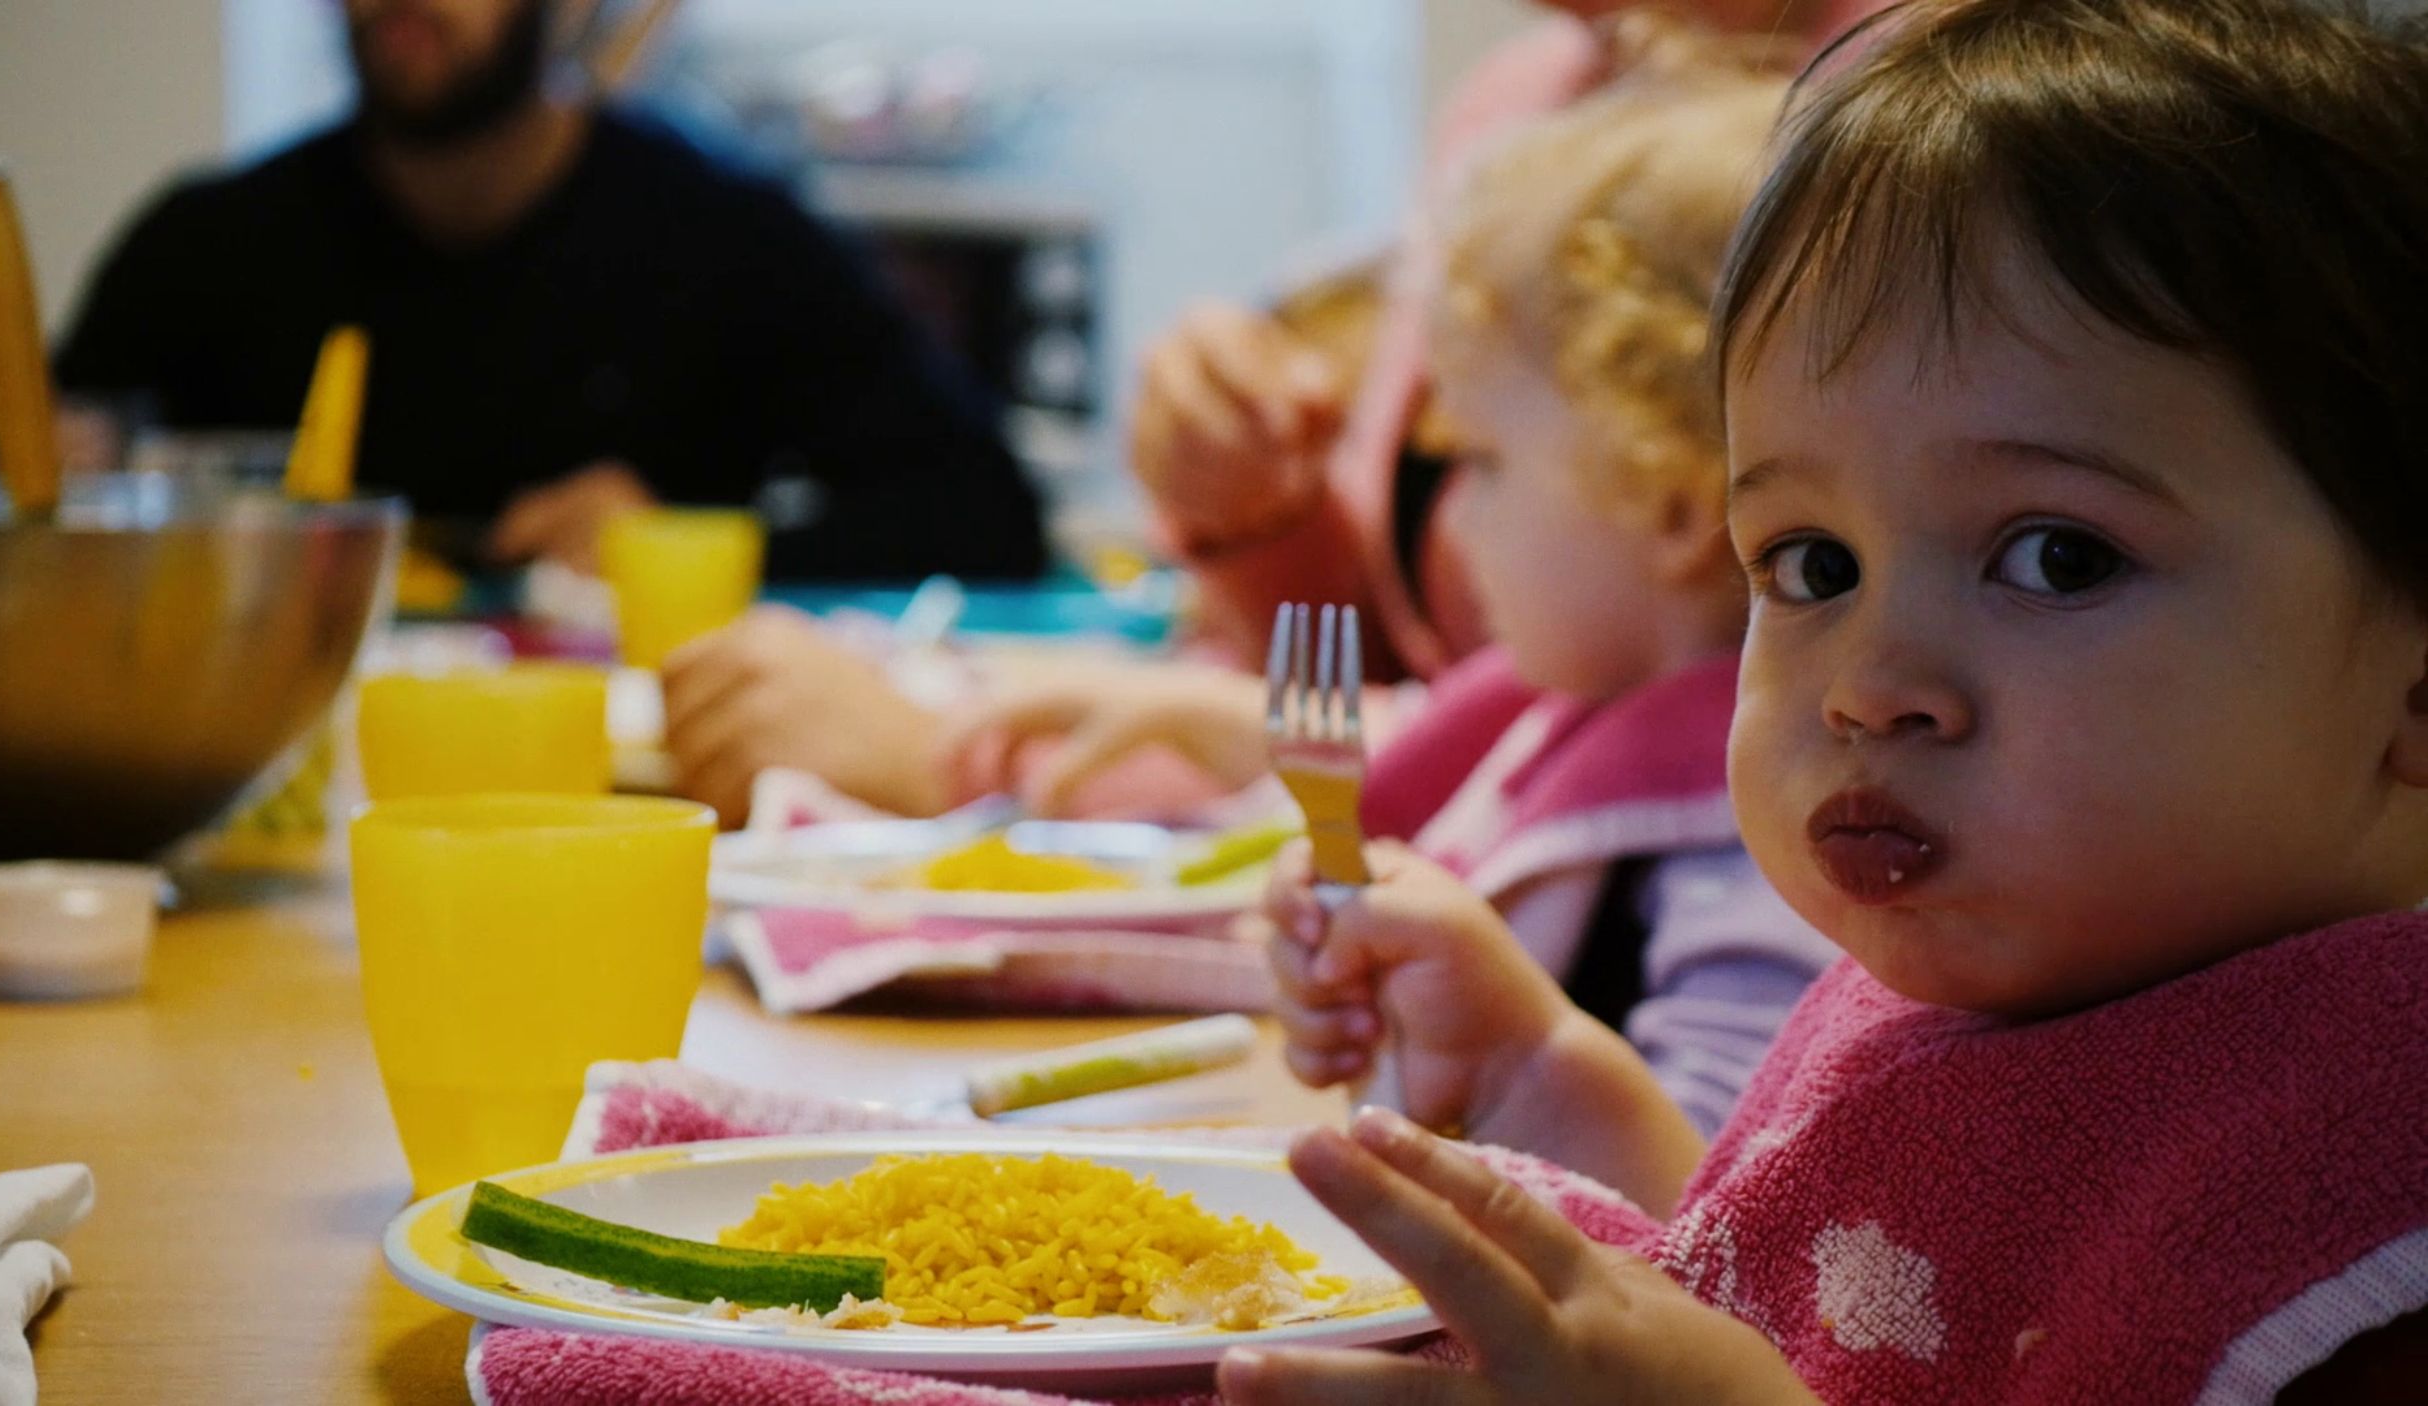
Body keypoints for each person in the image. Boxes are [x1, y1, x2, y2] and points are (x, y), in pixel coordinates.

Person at [1226, 1, 2428, 1400]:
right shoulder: (2021, 967)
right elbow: (1838, 1301)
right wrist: (1542, 1081)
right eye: (1812, 564)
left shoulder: (2364, 1197)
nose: (1867, 685)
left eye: (2056, 556)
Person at [950, 29, 1833, 1157]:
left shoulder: (1748, 830)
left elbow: (1719, 1206)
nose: (1450, 524)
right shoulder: (1564, 715)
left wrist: (1512, 1048)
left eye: (1481, 460)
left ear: (1664, 497)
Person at [46, 0, 1045, 581]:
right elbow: (26, 470)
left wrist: (682, 546)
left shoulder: (723, 234)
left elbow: (984, 505)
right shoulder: (211, 242)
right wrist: (49, 489)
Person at [1138, 0, 1888, 681]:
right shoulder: (1508, 103)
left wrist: (1369, 745)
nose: (1461, 516)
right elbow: (1404, 642)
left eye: (1484, 464)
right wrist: (1260, 507)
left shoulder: (1933, 107)